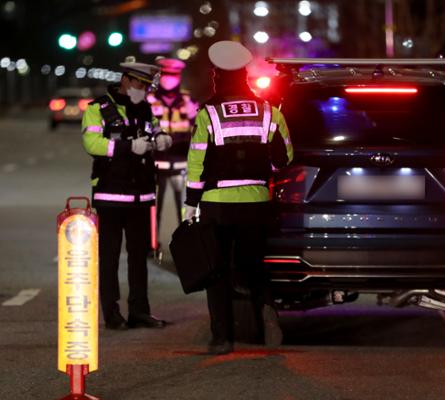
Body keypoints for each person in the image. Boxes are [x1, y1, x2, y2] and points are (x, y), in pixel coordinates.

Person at [184, 41, 294, 355]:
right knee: (254, 266)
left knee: (216, 270)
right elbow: (285, 156)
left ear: (217, 76)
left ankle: (221, 337)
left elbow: (196, 161)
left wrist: (192, 202)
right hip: (257, 201)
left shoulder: (208, 114)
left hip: (217, 203)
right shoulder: (269, 111)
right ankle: (266, 313)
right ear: (245, 75)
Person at [81, 61, 172, 330]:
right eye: (139, 84)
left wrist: (163, 136)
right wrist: (127, 147)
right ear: (125, 80)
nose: (143, 90)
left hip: (141, 195)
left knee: (139, 257)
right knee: (109, 257)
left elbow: (155, 129)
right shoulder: (99, 108)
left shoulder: (144, 108)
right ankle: (111, 313)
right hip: (111, 194)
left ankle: (139, 311)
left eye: (146, 86)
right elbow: (92, 143)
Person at [147, 58, 198, 230]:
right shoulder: (150, 99)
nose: (169, 79)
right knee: (153, 208)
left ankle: (186, 242)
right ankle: (151, 244)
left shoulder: (188, 100)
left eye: (173, 75)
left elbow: (198, 128)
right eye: (166, 75)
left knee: (185, 207)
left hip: (181, 162)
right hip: (155, 163)